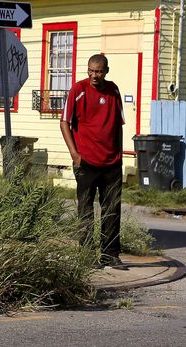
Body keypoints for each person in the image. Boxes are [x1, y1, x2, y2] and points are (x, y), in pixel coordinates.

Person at [59, 54, 124, 267]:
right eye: (91, 70)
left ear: (106, 71)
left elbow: (118, 125)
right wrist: (75, 155)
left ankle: (110, 254)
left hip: (111, 163)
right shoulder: (78, 90)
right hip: (86, 162)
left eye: (99, 71)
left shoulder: (113, 91)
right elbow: (64, 123)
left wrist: (119, 155)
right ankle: (86, 256)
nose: (94, 75)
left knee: (112, 209)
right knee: (86, 210)